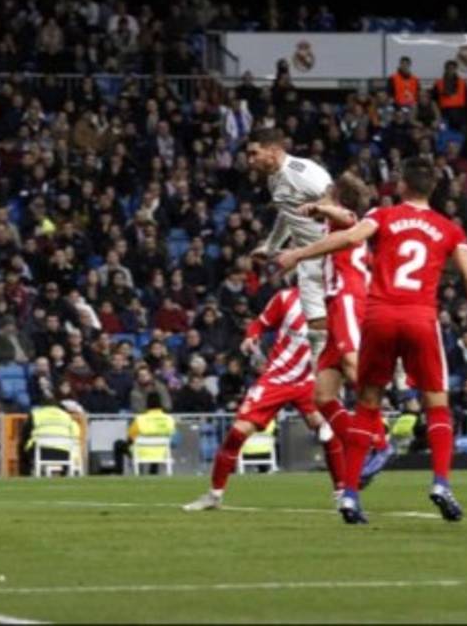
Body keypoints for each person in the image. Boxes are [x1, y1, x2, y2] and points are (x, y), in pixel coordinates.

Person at [278, 157, 467, 524]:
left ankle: (348, 495)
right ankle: (441, 483)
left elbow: (347, 236)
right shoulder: (448, 229)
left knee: (367, 404)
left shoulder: (385, 215)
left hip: (378, 317)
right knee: (436, 404)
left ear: (402, 185)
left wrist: (298, 253)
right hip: (420, 318)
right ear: (433, 189)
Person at [182, 285, 345, 511]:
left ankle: (342, 494)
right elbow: (260, 323)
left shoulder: (338, 304)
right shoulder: (286, 298)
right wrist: (252, 337)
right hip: (276, 378)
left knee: (326, 431)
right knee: (236, 433)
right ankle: (214, 495)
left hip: (310, 381)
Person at [296, 172, 385, 488]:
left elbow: (348, 216)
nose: (321, 200)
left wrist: (322, 209)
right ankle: (359, 445)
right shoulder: (335, 226)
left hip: (348, 297)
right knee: (322, 395)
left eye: (326, 195)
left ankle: (379, 438)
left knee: (352, 364)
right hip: (335, 305)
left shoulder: (347, 221)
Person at [246, 127, 333, 366]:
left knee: (355, 316)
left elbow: (335, 200)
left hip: (334, 254)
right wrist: (270, 246)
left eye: (255, 153)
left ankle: (397, 374)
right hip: (306, 256)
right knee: (316, 326)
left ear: (273, 151)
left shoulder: (302, 172)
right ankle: (321, 386)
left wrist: (321, 208)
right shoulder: (274, 178)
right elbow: (287, 214)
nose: (250, 160)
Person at [113, 392, 176, 474]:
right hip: (161, 452)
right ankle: (153, 472)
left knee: (118, 444)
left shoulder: (140, 420)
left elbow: (130, 438)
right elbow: (173, 437)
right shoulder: (169, 419)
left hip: (141, 452)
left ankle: (119, 473)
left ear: (147, 403)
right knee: (157, 445)